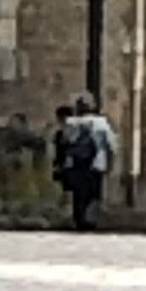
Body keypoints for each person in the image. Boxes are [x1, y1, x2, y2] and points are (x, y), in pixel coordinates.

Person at [57, 93, 115, 231]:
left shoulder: (72, 123)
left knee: (78, 194)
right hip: (96, 164)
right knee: (93, 194)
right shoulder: (102, 123)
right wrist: (110, 162)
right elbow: (111, 145)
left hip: (77, 164)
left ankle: (79, 220)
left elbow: (64, 144)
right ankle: (90, 221)